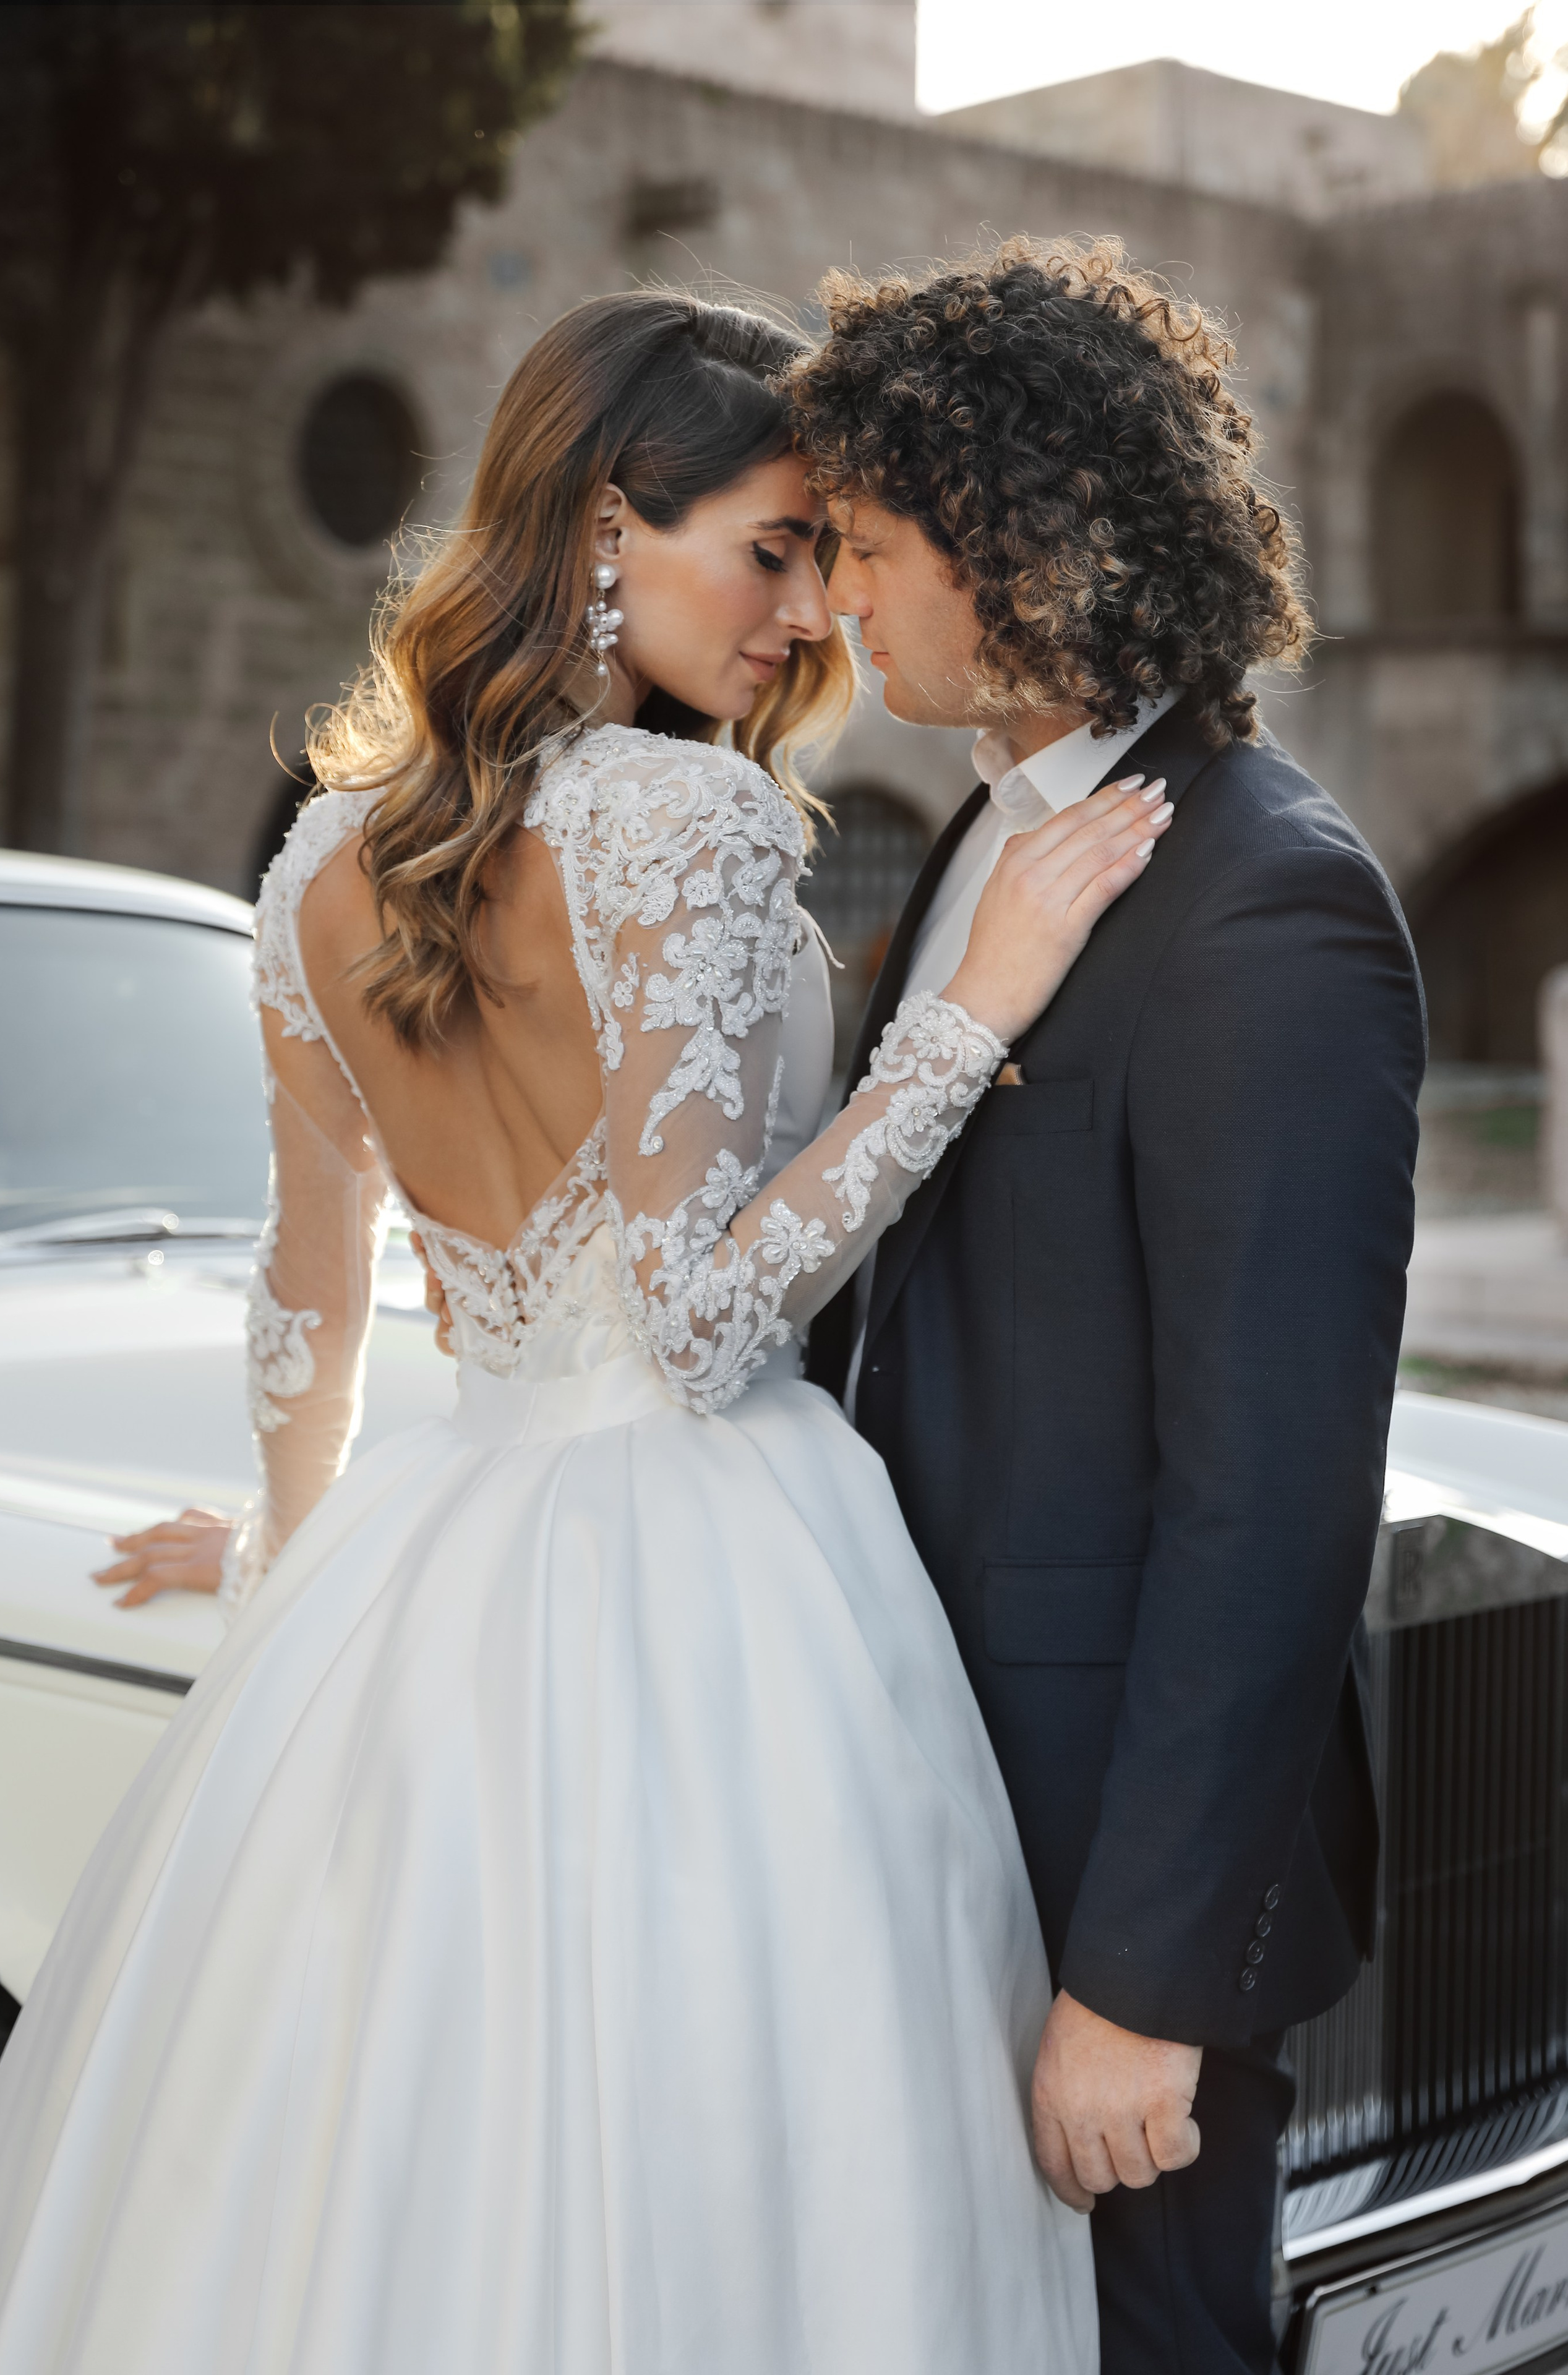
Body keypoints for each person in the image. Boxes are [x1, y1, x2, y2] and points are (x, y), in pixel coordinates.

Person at [0, 290, 1174, 2373]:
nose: (806, 614)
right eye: (773, 550)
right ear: (612, 525)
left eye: (826, 559)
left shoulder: (322, 858)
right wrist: (978, 1002)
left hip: (428, 1555)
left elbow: (309, 1305)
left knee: (374, 2168)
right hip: (719, 1569)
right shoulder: (684, 821)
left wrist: (290, 1587)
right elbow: (702, 1324)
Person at [787, 238, 1427, 2374]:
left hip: (1112, 1884)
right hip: (935, 1788)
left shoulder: (1268, 900)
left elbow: (1274, 1498)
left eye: (870, 546)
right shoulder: (986, 835)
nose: (839, 601)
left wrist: (1142, 1984)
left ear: (1026, 537)